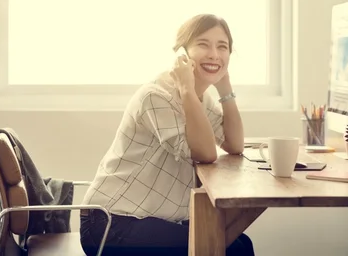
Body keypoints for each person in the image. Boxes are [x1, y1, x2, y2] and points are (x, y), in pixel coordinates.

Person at [80, 14, 255, 255]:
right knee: (227, 249)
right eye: (203, 44)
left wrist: (225, 88)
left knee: (241, 244)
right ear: (183, 54)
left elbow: (235, 144)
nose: (214, 54)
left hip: (152, 219)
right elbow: (205, 153)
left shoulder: (201, 99)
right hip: (110, 223)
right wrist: (186, 88)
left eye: (222, 47)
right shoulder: (156, 96)